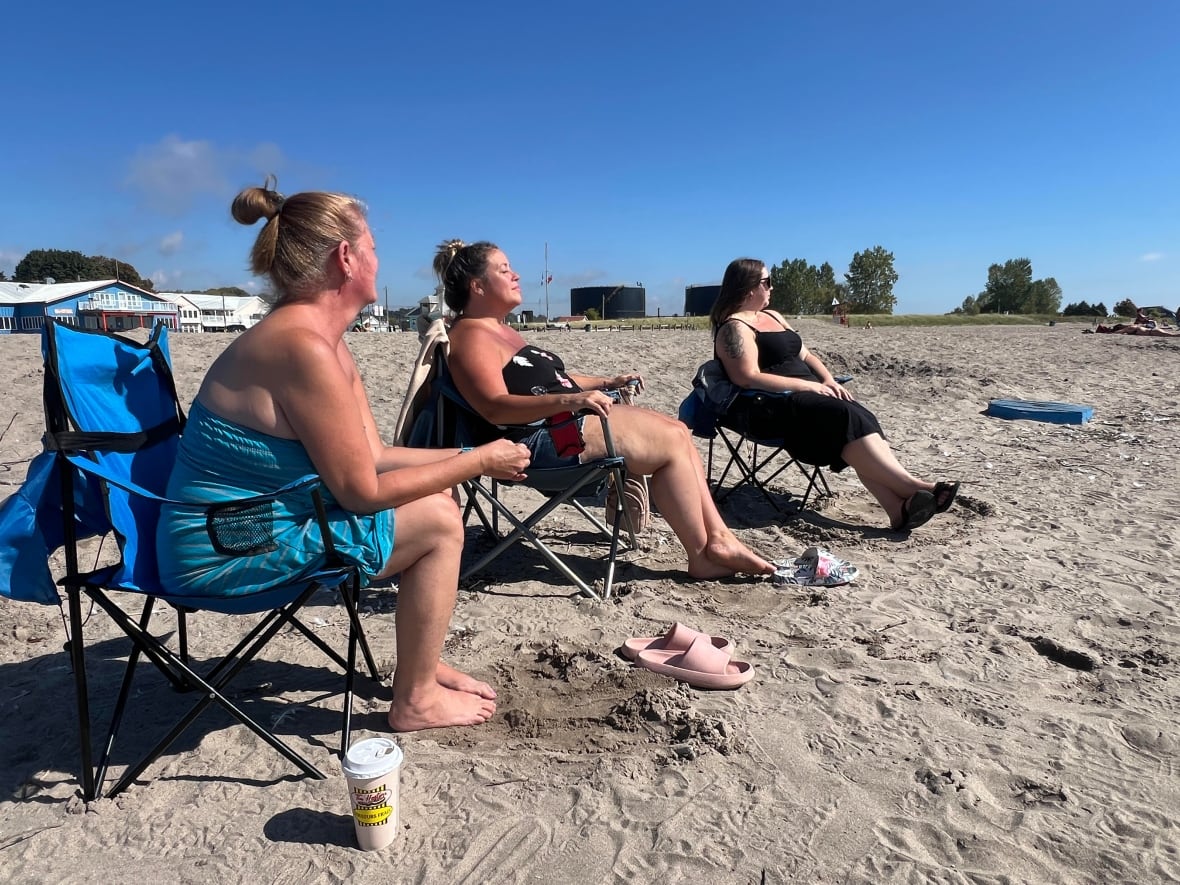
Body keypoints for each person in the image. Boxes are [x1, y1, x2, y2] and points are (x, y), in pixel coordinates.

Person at [156, 181, 531, 732]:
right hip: (225, 542)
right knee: (437, 521)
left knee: (436, 495)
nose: (381, 259)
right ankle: (416, 698)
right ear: (346, 257)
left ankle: (420, 664)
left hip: (258, 517)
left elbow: (374, 455)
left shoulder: (324, 340)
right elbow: (362, 491)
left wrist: (467, 455)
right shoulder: (301, 347)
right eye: (374, 246)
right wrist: (477, 464)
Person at [434, 239, 774, 580]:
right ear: (476, 286)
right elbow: (494, 408)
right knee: (670, 440)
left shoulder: (501, 331)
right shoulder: (471, 336)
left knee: (679, 433)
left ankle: (715, 541)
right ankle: (708, 547)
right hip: (534, 441)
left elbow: (555, 379)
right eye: (504, 269)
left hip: (559, 422)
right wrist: (572, 401)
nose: (516, 275)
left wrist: (606, 381)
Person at [710, 258, 959, 532]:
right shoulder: (734, 328)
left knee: (857, 413)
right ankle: (914, 487)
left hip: (812, 394)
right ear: (748, 288)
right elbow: (747, 377)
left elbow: (806, 355)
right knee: (844, 417)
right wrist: (811, 387)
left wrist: (828, 380)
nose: (771, 288)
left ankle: (898, 509)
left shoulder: (773, 316)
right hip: (773, 405)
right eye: (767, 282)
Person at [1091, 323, 1180, 337]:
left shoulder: (1130, 328)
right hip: (1151, 331)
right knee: (1171, 335)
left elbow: (1120, 332)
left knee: (1172, 335)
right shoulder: (1133, 326)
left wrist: (1109, 333)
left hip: (1151, 332)